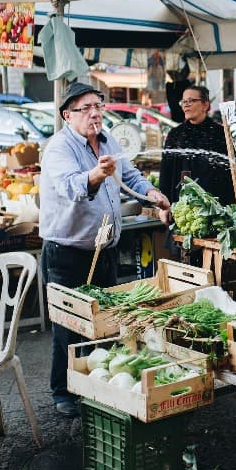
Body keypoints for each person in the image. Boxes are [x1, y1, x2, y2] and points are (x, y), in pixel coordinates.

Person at [39, 82, 170, 418]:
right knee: (69, 325)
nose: (95, 113)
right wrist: (95, 175)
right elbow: (71, 187)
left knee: (105, 321)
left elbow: (131, 176)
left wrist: (151, 195)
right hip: (68, 253)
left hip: (105, 249)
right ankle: (63, 392)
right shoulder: (59, 148)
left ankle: (97, 386)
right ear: (68, 115)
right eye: (86, 108)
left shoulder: (109, 139)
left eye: (98, 105)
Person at [160, 85, 234, 205]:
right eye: (183, 101)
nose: (186, 105)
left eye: (191, 101)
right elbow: (165, 171)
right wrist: (164, 201)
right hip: (181, 204)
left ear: (205, 105)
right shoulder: (175, 134)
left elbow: (230, 172)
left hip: (214, 205)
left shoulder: (220, 133)